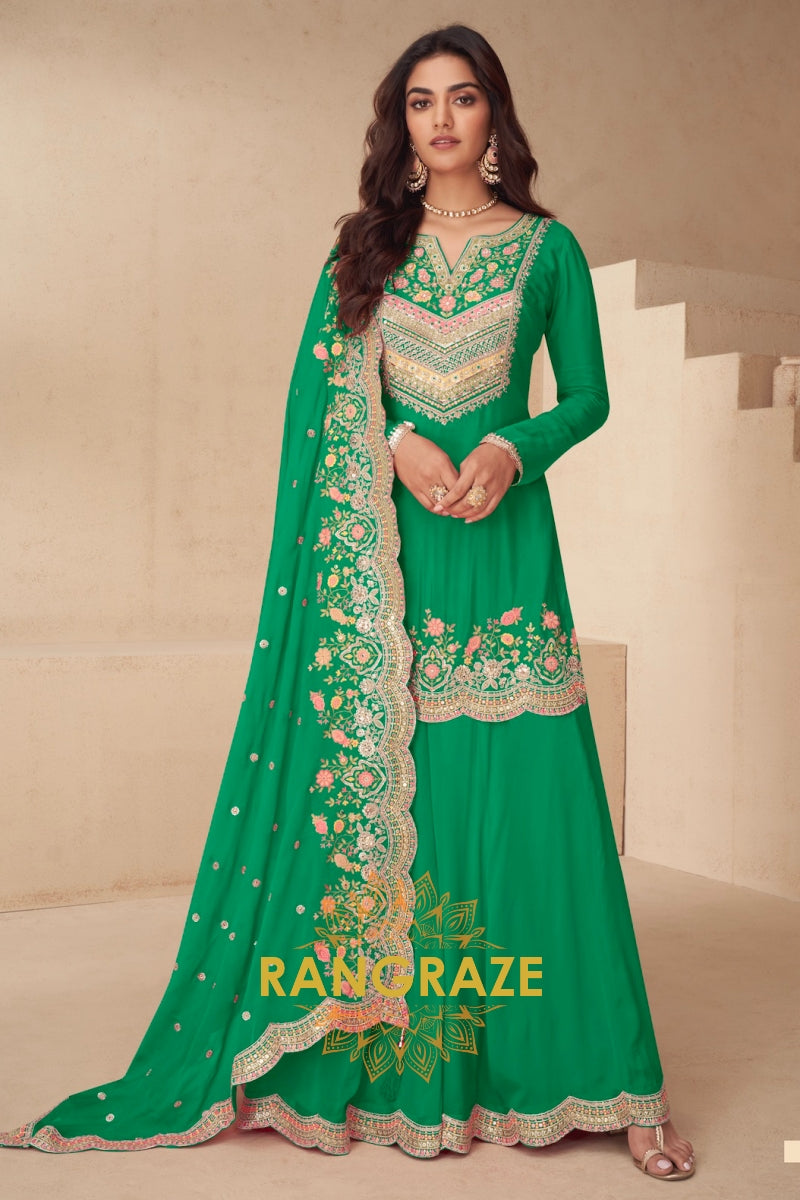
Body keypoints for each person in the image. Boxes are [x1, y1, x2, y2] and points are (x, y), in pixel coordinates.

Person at [0, 23, 696, 1180]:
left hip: (506, 557)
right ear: (399, 123)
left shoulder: (547, 250)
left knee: (539, 812)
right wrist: (399, 441)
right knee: (421, 812)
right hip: (387, 578)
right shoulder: (364, 252)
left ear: (493, 114)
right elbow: (316, 406)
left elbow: (586, 396)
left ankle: (613, 1080)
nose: (441, 119)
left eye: (461, 97)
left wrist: (511, 451)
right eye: (420, 100)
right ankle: (420, 1079)